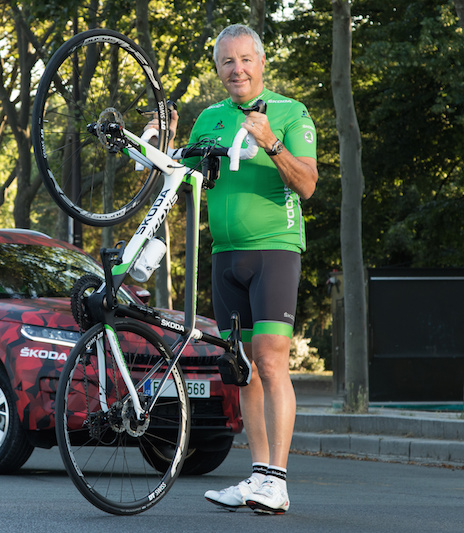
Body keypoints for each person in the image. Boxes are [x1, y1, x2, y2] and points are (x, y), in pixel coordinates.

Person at [156, 24, 318, 514]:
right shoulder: (208, 118)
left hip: (274, 249)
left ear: (261, 63)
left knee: (269, 361)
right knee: (242, 370)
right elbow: (182, 176)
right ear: (218, 68)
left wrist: (271, 143)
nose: (237, 69)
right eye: (227, 61)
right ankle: (258, 478)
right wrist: (152, 146)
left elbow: (307, 184)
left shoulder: (290, 112)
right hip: (224, 254)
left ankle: (279, 481)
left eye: (245, 59)